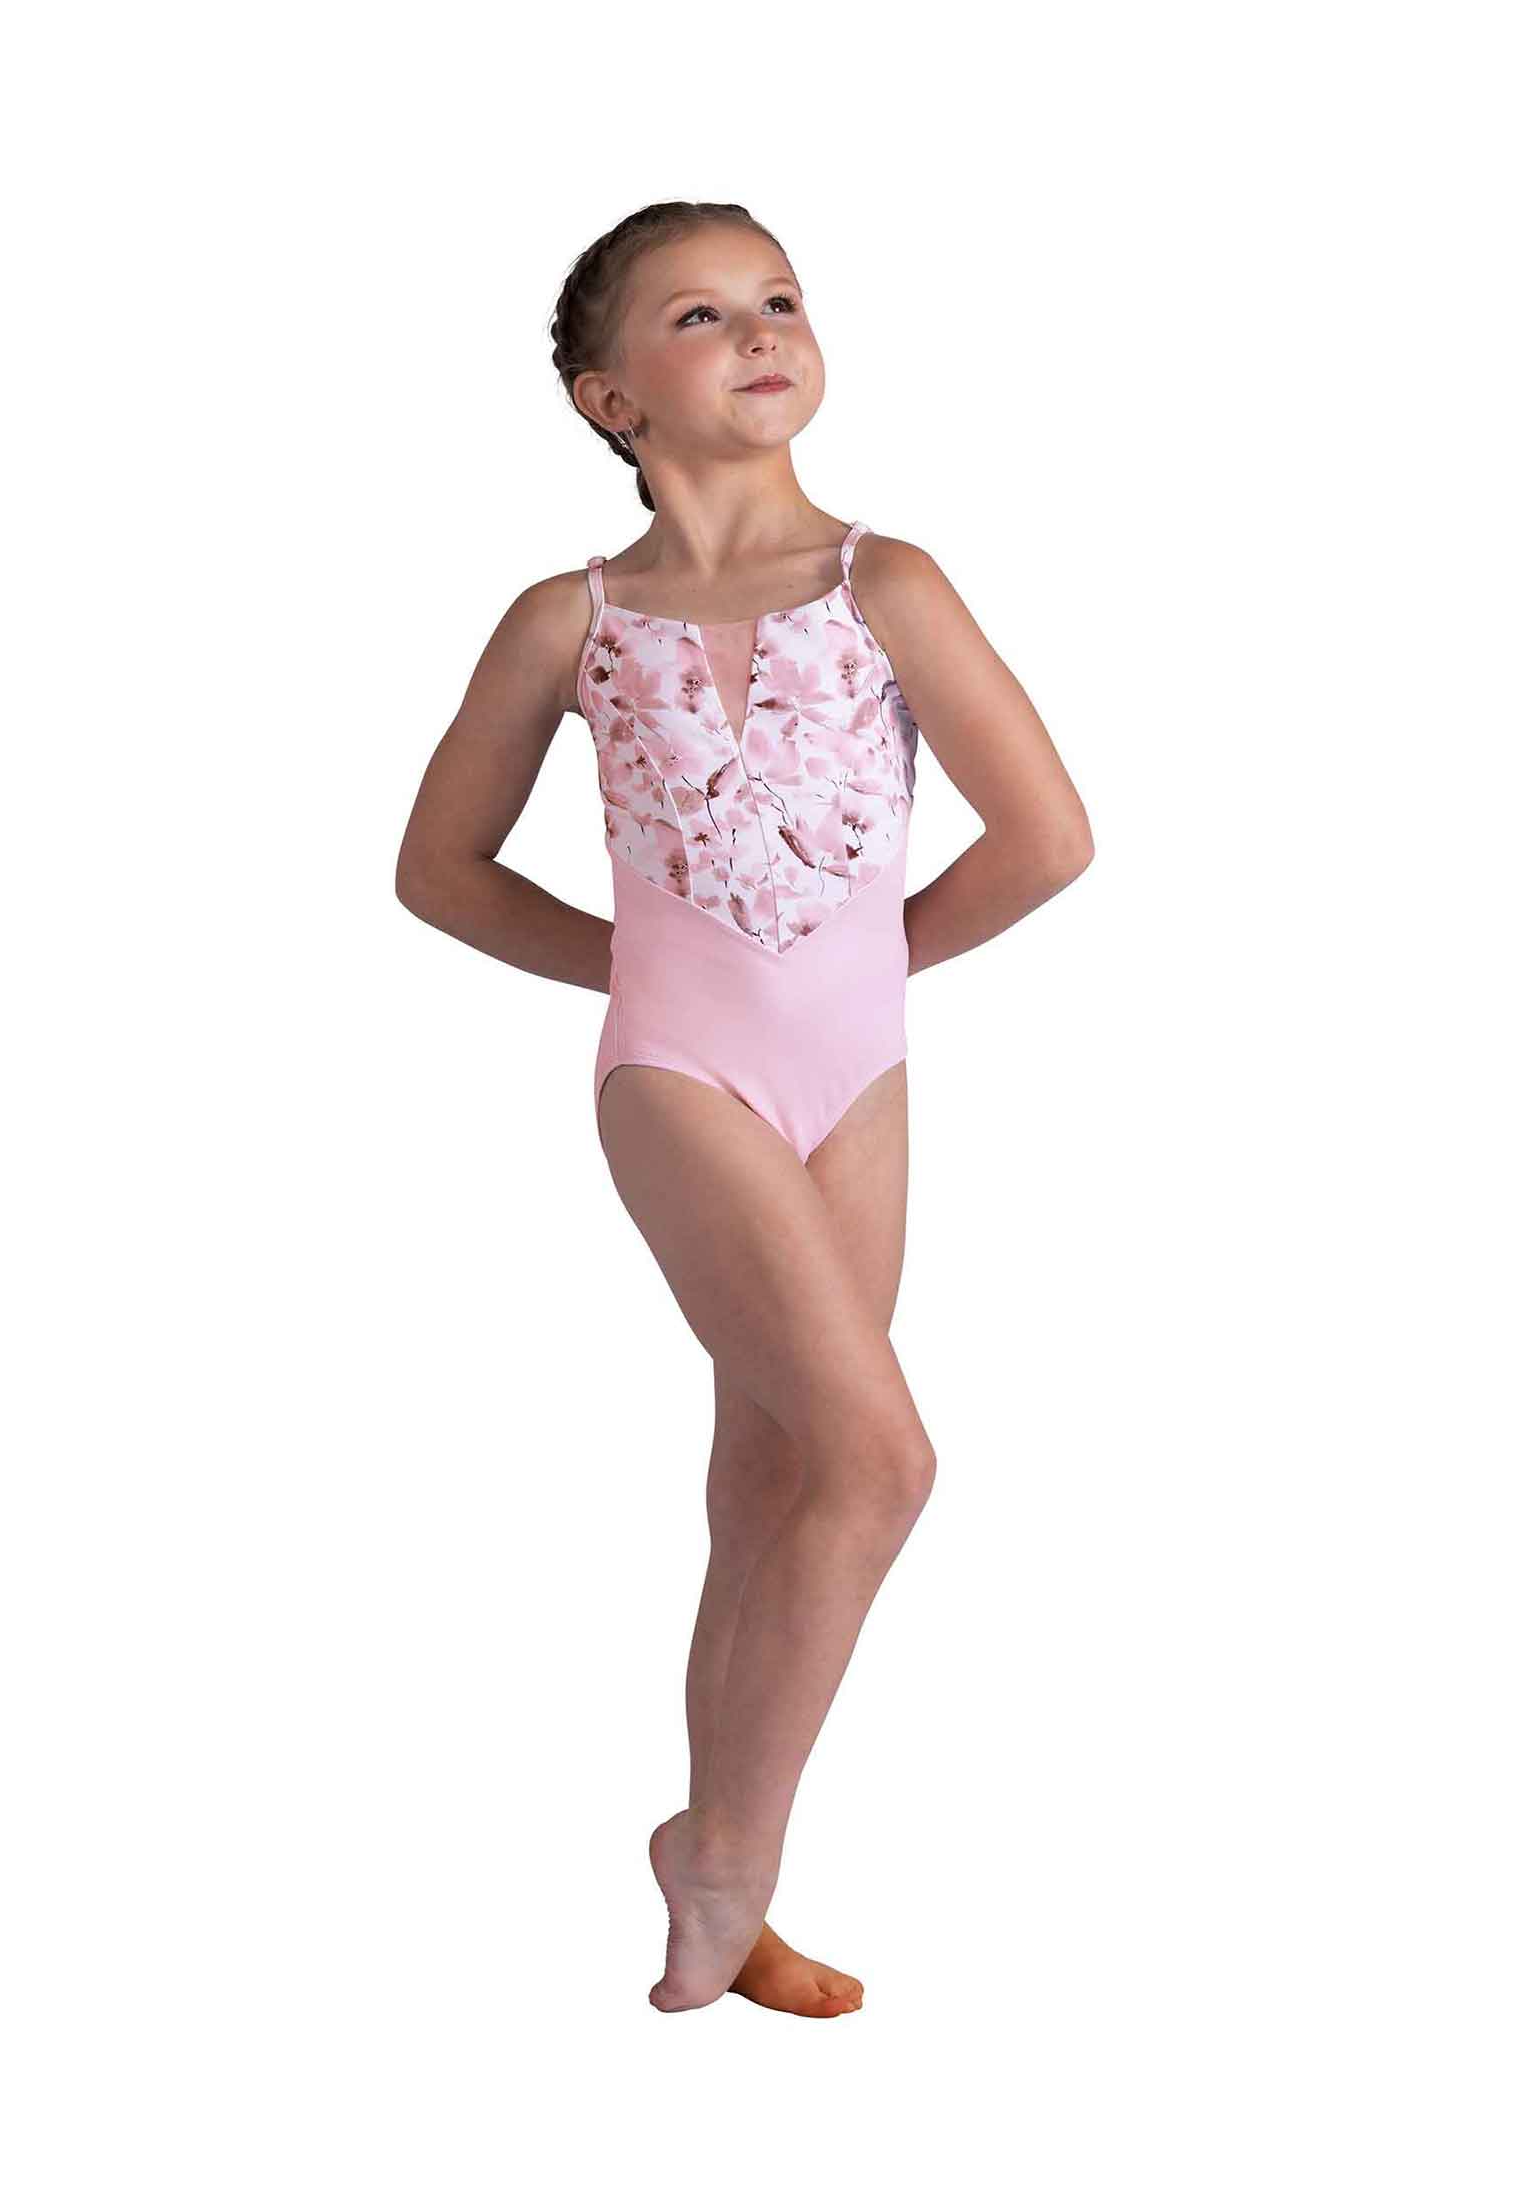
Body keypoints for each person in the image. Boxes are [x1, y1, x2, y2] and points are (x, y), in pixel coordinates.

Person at [395, 200, 1094, 2016]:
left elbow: (1048, 839)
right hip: (677, 1079)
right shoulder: (571, 622)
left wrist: (866, 968)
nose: (761, 329)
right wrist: (641, 980)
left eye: (779, 297)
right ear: (609, 396)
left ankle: (715, 1868)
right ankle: (727, 1860)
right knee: (882, 1462)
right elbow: (438, 872)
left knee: (775, 1478)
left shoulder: (889, 586)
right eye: (700, 314)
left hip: (860, 1080)